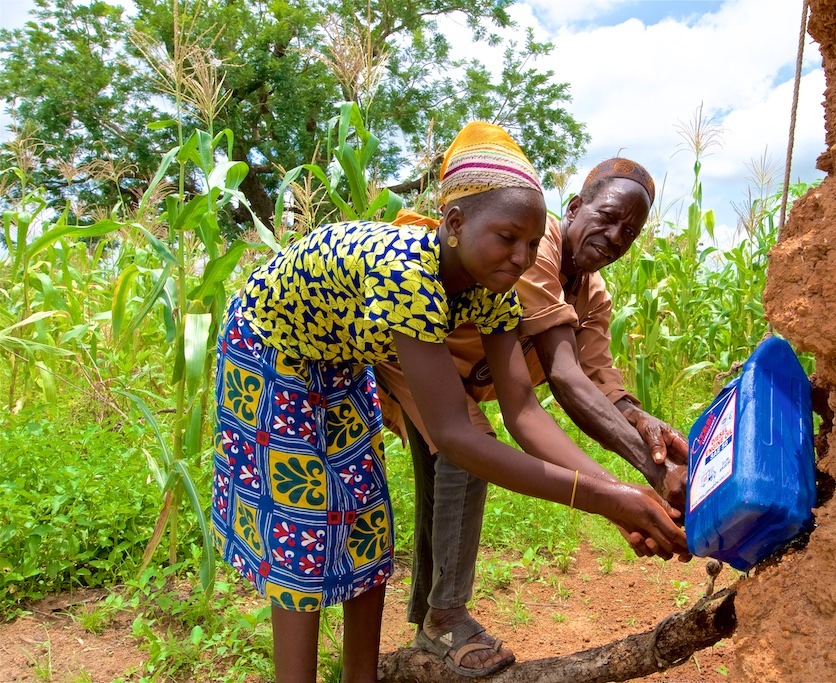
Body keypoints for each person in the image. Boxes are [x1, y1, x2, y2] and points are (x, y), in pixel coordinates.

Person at [210, 124, 689, 683]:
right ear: (455, 224)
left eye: (532, 245)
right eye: (508, 237)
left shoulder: (493, 286)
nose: (520, 256)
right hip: (271, 356)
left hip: (342, 362)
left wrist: (620, 495)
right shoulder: (407, 273)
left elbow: (525, 412)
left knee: (365, 527)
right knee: (305, 533)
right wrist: (608, 498)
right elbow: (456, 433)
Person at [375, 157, 692, 677]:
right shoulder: (530, 245)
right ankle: (445, 615)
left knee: (443, 474)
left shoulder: (590, 294)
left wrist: (644, 425)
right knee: (466, 451)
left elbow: (599, 380)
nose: (615, 236)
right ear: (574, 208)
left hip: (457, 377)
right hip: (412, 353)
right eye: (608, 217)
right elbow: (564, 378)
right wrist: (653, 478)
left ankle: (434, 617)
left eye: (630, 232)